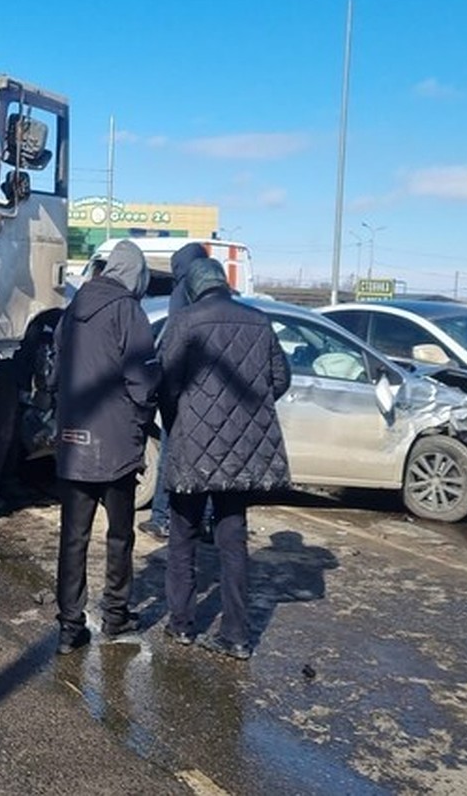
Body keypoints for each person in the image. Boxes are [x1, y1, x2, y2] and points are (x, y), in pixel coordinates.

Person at [158, 257, 290, 660]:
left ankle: (181, 625)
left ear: (195, 287)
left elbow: (165, 381)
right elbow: (281, 378)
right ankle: (236, 636)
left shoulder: (184, 321)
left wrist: (177, 417)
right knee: (233, 541)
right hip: (242, 453)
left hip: (192, 448)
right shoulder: (259, 321)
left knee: (183, 537)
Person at [50, 239, 160, 654]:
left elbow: (54, 374)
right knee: (119, 535)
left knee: (73, 537)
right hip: (115, 444)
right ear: (134, 274)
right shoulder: (128, 310)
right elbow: (142, 381)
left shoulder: (72, 310)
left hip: (73, 441)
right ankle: (115, 614)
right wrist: (144, 411)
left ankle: (68, 627)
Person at [141, 241, 208, 542]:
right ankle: (204, 521)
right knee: (206, 459)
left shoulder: (180, 294)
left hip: (181, 392)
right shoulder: (209, 294)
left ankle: (161, 517)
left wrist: (166, 396)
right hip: (209, 395)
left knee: (169, 455)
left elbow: (172, 343)